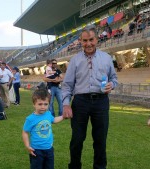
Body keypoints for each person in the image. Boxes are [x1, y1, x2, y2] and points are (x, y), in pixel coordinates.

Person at [62, 25, 118, 169]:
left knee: (100, 140)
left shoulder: (106, 58)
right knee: (77, 140)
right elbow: (67, 85)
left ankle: (99, 167)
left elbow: (114, 78)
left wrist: (111, 84)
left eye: (91, 40)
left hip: (101, 102)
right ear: (80, 41)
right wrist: (66, 104)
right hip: (80, 102)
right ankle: (74, 166)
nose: (88, 44)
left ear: (97, 39)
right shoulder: (74, 60)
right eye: (85, 41)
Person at [22, 86, 63, 169]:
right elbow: (25, 132)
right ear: (34, 104)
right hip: (36, 150)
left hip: (49, 149)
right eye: (40, 104)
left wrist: (63, 116)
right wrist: (27, 146)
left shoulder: (48, 114)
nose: (43, 107)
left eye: (45, 104)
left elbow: (54, 120)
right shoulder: (30, 119)